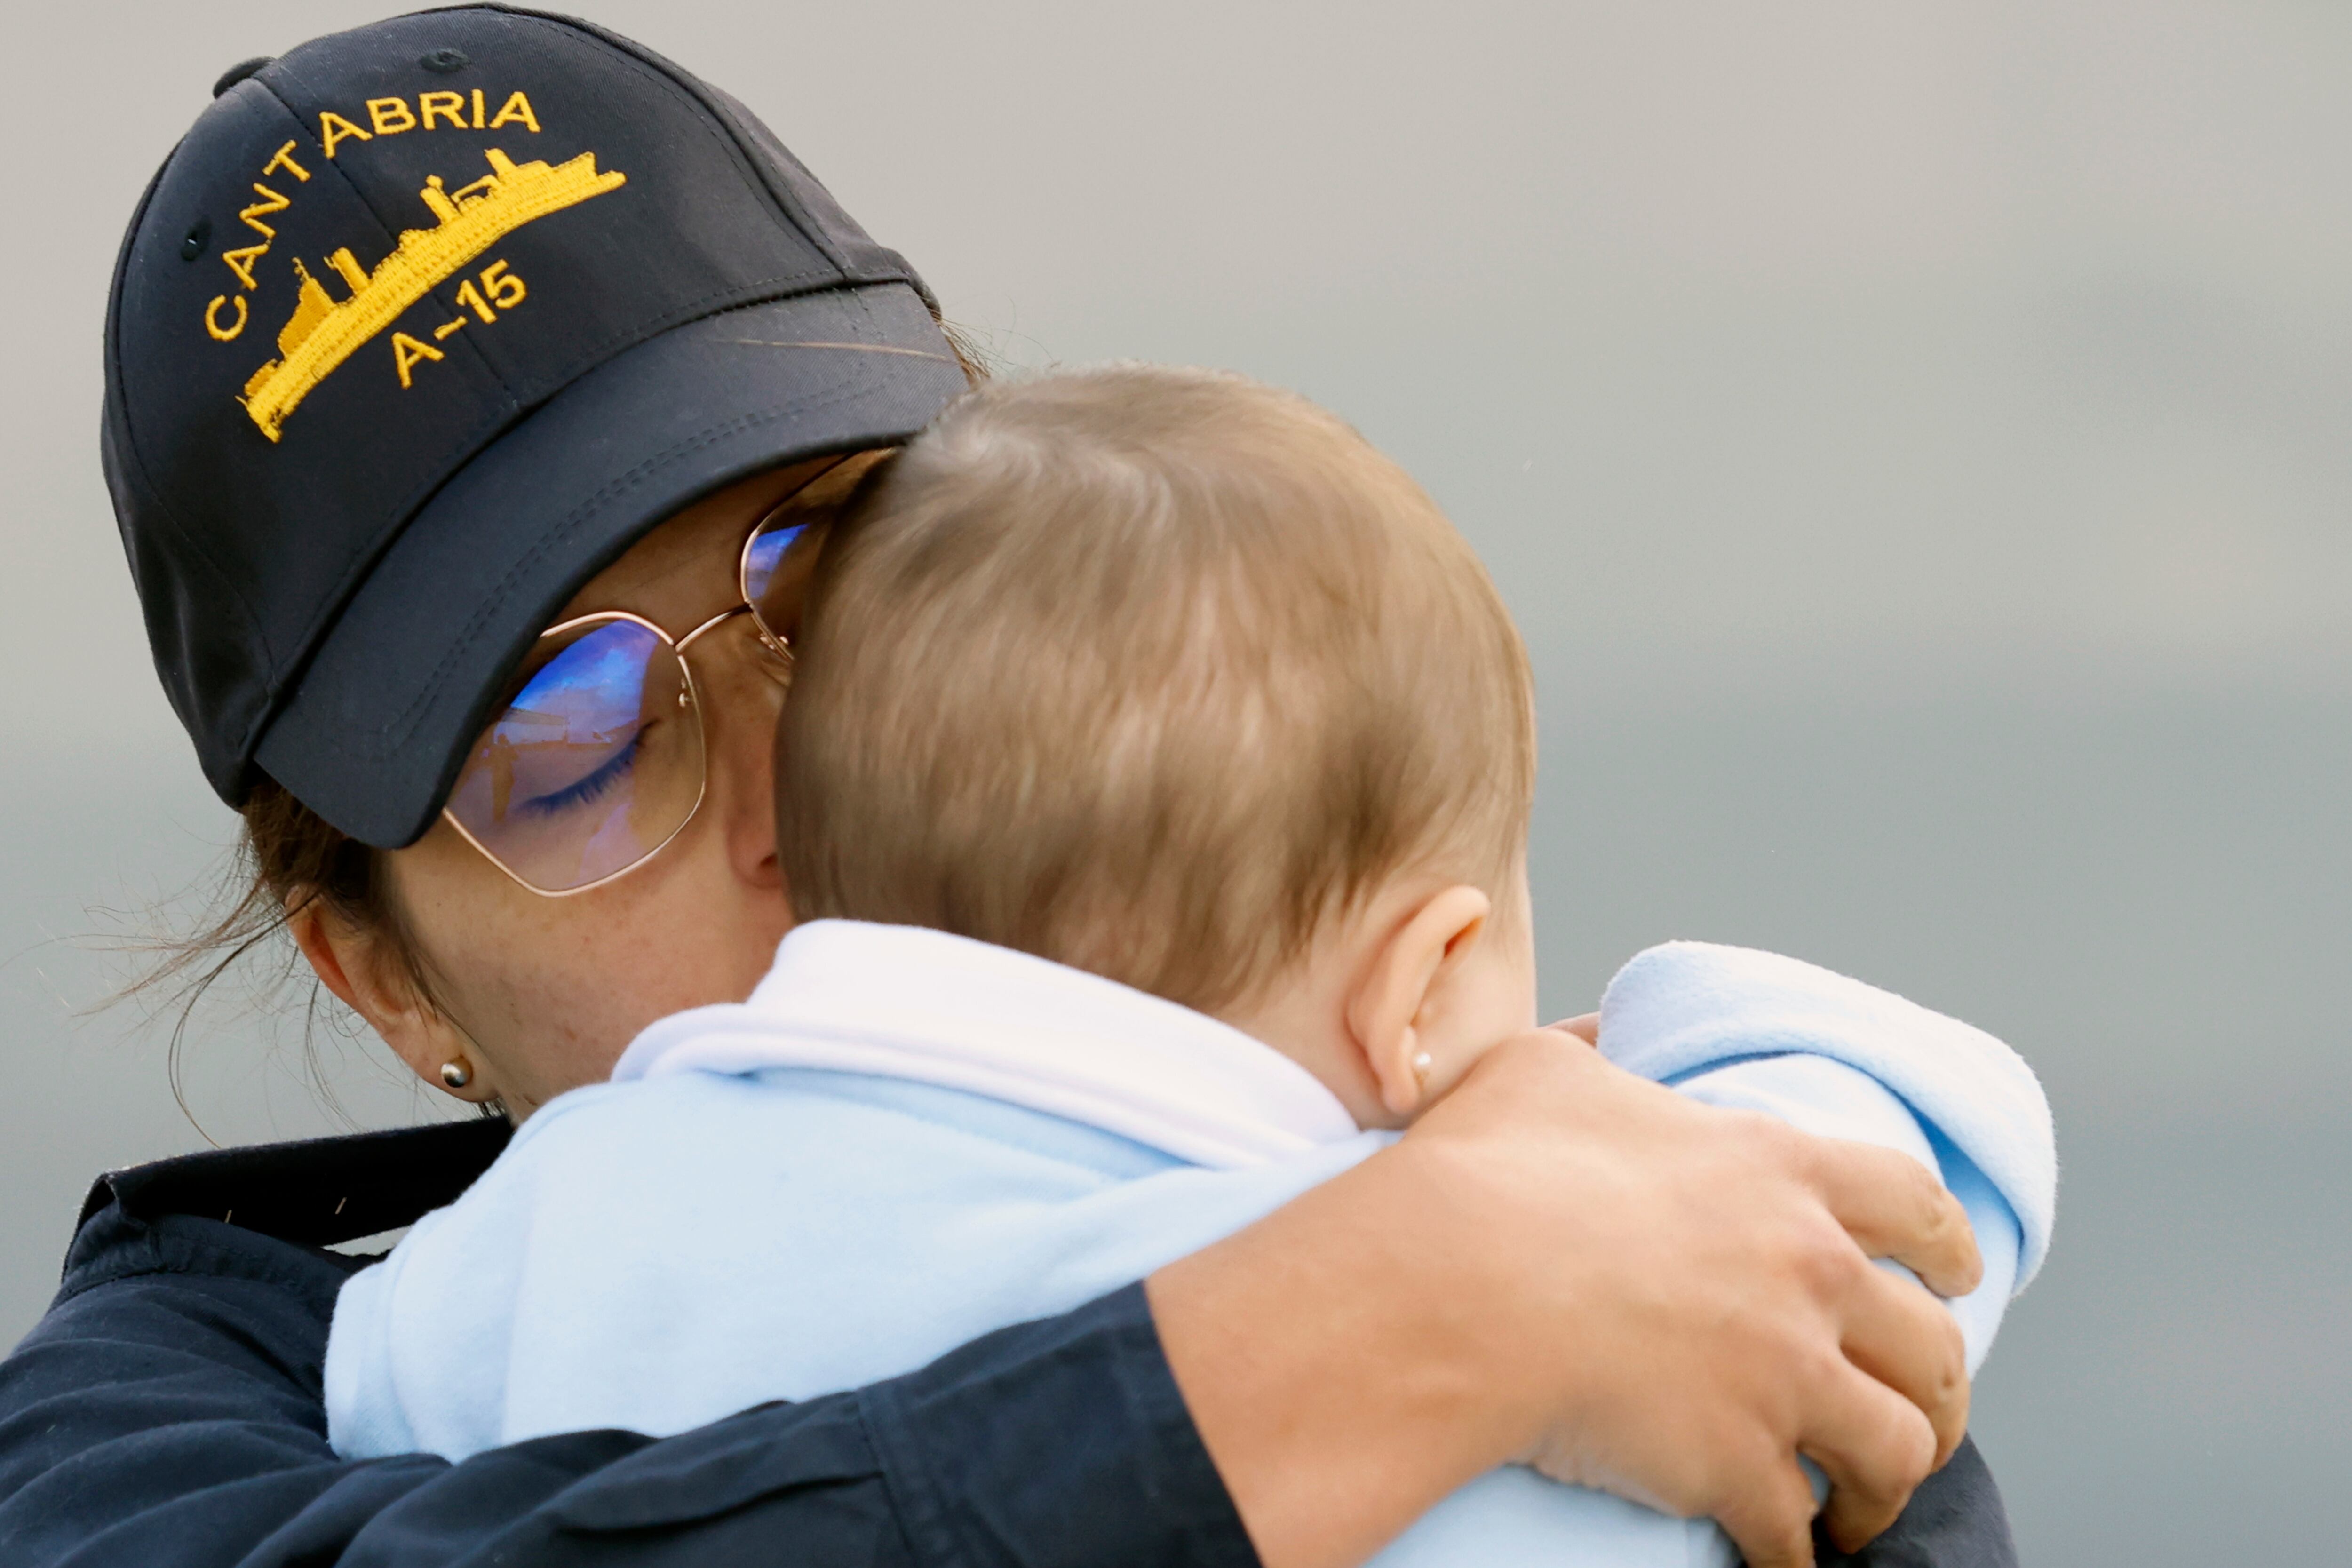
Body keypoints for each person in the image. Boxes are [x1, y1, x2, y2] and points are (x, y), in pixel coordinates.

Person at [0, 9, 2009, 1568]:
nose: (813, 776)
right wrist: (1417, 1308)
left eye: (841, 576)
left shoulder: (1544, 1155)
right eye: (573, 747)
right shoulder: (160, 1436)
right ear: (385, 981)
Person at [317, 365, 2053, 1568]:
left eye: (818, 598)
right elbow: (1868, 1266)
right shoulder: (1516, 1339)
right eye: (569, 745)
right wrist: (1660, 1084)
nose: (762, 794)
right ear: (1427, 984)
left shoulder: (511, 1257)